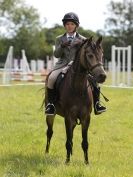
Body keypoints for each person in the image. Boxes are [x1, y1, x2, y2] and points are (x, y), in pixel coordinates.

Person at [45, 12, 106, 116]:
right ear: (65, 25)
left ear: (76, 26)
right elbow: (56, 55)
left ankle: (97, 104)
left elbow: (86, 54)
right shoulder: (59, 39)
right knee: (51, 78)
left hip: (77, 65)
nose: (69, 26)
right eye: (67, 24)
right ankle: (50, 104)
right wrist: (62, 46)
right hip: (62, 64)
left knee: (95, 81)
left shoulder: (83, 39)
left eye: (72, 24)